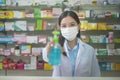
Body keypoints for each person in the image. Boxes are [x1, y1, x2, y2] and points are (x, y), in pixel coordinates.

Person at [42, 10, 101, 77]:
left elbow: (96, 75)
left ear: (78, 26)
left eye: (72, 25)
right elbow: (46, 57)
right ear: (60, 28)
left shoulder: (90, 50)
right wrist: (48, 52)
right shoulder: (57, 48)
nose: (68, 29)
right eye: (64, 26)